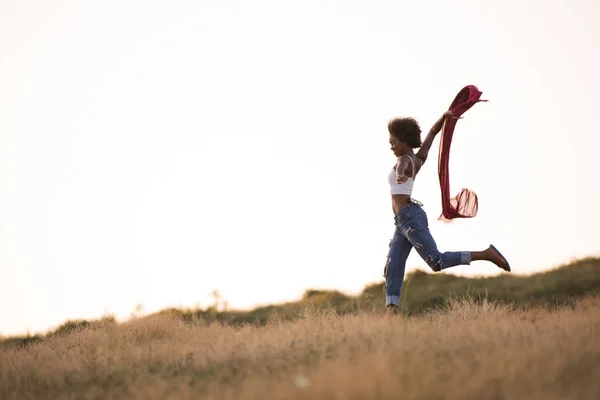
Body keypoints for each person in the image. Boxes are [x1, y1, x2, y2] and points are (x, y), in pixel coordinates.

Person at [384, 110, 510, 316]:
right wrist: (443, 119)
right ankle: (391, 313)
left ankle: (486, 254)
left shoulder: (405, 161)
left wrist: (399, 176)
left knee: (436, 261)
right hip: (402, 220)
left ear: (404, 142)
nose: (391, 147)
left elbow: (401, 167)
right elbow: (432, 135)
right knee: (393, 266)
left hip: (409, 218)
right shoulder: (418, 159)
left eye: (393, 143)